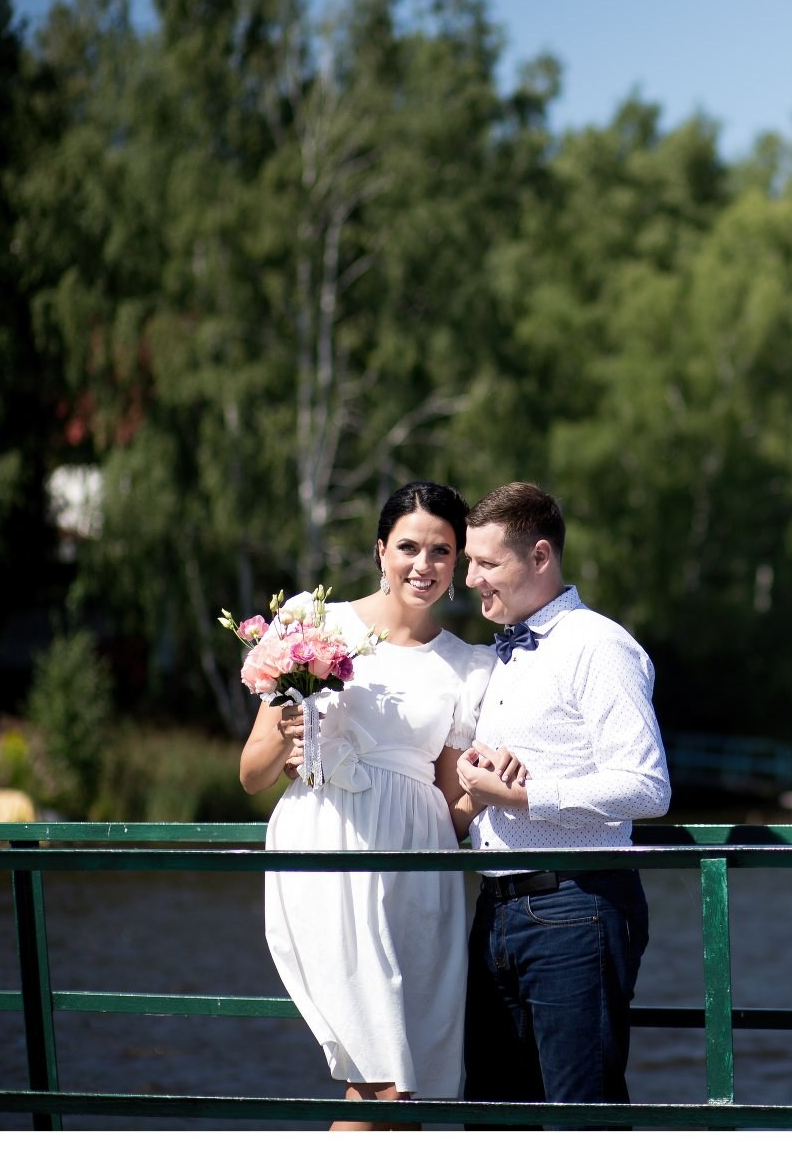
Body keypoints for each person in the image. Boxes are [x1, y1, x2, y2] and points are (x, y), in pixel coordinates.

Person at [237, 480, 496, 1130]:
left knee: (412, 1091)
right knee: (386, 1081)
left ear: (458, 561)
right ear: (380, 550)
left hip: (421, 873)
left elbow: (451, 801)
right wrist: (290, 733)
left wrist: (498, 790)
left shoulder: (468, 665)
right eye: (408, 546)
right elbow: (251, 774)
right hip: (332, 852)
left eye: (441, 550)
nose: (423, 564)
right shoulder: (317, 623)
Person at [455, 481, 671, 1126]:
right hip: (496, 909)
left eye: (486, 563)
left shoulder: (597, 645)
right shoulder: (508, 652)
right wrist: (482, 772)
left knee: (584, 1122)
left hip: (577, 905)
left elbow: (647, 786)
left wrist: (523, 795)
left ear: (540, 556)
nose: (470, 579)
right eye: (470, 561)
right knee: (494, 1122)